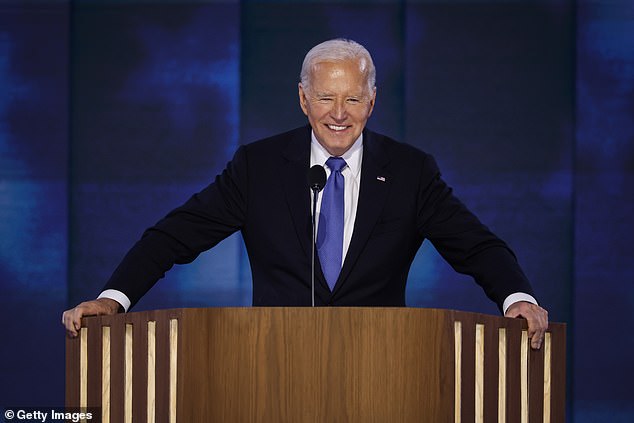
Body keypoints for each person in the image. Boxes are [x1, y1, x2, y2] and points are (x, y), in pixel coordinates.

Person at [62, 38, 548, 349]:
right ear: (302, 98)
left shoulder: (409, 172)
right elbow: (174, 236)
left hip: (384, 374)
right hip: (275, 371)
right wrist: (114, 299)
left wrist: (517, 298)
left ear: (372, 102)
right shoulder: (259, 167)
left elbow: (476, 245)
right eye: (325, 97)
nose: (339, 113)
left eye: (353, 98)